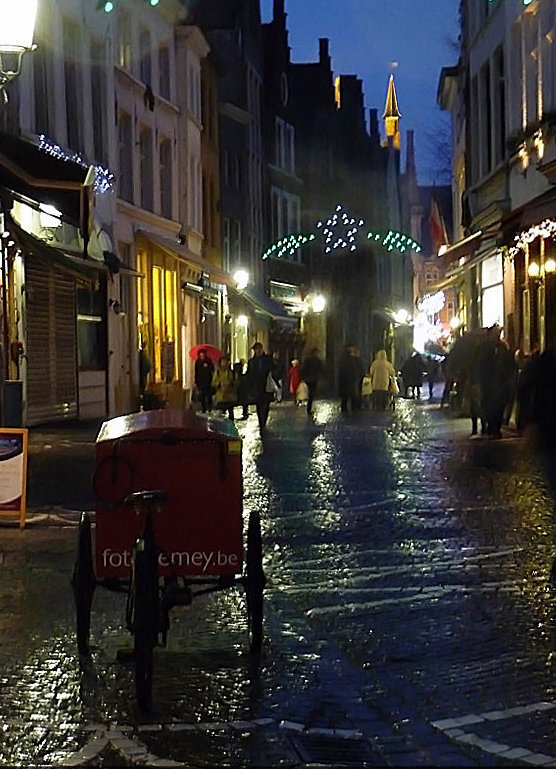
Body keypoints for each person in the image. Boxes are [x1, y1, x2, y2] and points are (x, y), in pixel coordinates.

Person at [477, 324, 515, 439]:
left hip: (501, 383)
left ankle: (496, 428)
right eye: (495, 333)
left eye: (498, 333)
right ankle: (491, 426)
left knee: (499, 406)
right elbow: (481, 366)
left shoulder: (503, 347)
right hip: (489, 383)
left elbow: (510, 363)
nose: (497, 335)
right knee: (489, 406)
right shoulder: (484, 348)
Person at [245, 341, 277, 429]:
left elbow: (274, 369)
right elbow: (249, 374)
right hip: (256, 387)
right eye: (256, 350)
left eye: (259, 349)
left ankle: (264, 420)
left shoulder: (268, 359)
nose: (257, 351)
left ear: (262, 349)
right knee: (259, 405)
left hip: (266, 386)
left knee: (266, 405)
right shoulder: (251, 362)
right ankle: (261, 422)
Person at [338, 344, 365, 413]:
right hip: (352, 380)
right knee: (353, 394)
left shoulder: (343, 359)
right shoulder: (354, 360)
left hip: (346, 380)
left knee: (346, 396)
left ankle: (346, 409)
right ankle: (354, 409)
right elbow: (358, 370)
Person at [300, 347, 326, 415]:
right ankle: (309, 408)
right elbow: (322, 369)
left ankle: (309, 408)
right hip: (313, 379)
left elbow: (303, 369)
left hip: (309, 379)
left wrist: (303, 376)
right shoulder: (317, 360)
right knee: (312, 393)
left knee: (311, 393)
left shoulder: (308, 360)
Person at [212, 355, 237, 420]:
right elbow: (213, 383)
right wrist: (220, 384)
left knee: (231, 414)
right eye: (223, 361)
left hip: (229, 396)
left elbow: (236, 382)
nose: (224, 363)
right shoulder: (217, 372)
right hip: (220, 396)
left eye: (226, 362)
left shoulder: (231, 372)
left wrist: (230, 383)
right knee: (219, 414)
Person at [194, 348, 215, 413]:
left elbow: (212, 369)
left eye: (203, 354)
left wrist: (207, 367)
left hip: (208, 380)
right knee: (202, 395)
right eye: (201, 354)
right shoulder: (197, 362)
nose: (202, 355)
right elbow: (196, 372)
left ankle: (209, 407)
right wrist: (196, 381)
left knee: (208, 395)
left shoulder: (208, 361)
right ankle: (204, 408)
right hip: (201, 381)